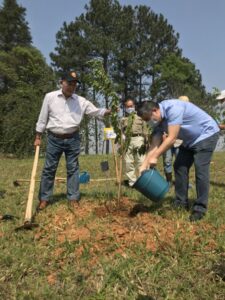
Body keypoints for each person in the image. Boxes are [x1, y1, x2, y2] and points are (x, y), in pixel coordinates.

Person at [34, 70, 111, 211]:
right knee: (49, 168)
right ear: (61, 82)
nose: (72, 86)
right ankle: (44, 199)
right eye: (69, 83)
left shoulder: (81, 101)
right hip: (54, 138)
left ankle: (73, 198)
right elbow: (43, 117)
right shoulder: (50, 97)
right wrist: (38, 136)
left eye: (75, 84)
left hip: (73, 138)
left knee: (73, 168)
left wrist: (108, 111)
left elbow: (95, 111)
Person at [138, 100, 219, 222]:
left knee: (200, 169)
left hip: (206, 135)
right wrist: (143, 165)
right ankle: (181, 202)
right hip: (189, 141)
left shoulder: (173, 109)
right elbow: (154, 144)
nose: (148, 122)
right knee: (179, 166)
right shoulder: (158, 120)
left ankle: (200, 208)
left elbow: (171, 138)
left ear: (154, 111)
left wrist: (156, 156)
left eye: (148, 118)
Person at [121, 99, 149, 187]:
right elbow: (121, 132)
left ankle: (143, 181)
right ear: (125, 107)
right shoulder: (123, 119)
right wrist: (121, 142)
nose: (129, 108)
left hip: (139, 139)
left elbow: (145, 130)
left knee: (141, 161)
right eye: (128, 106)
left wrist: (147, 141)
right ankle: (132, 183)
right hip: (128, 140)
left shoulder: (140, 117)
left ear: (134, 106)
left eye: (131, 106)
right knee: (128, 162)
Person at [162, 96, 190, 184]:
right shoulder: (171, 112)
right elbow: (163, 124)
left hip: (180, 142)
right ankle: (168, 181)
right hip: (168, 141)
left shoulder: (189, 115)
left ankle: (183, 182)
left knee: (182, 163)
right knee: (167, 161)